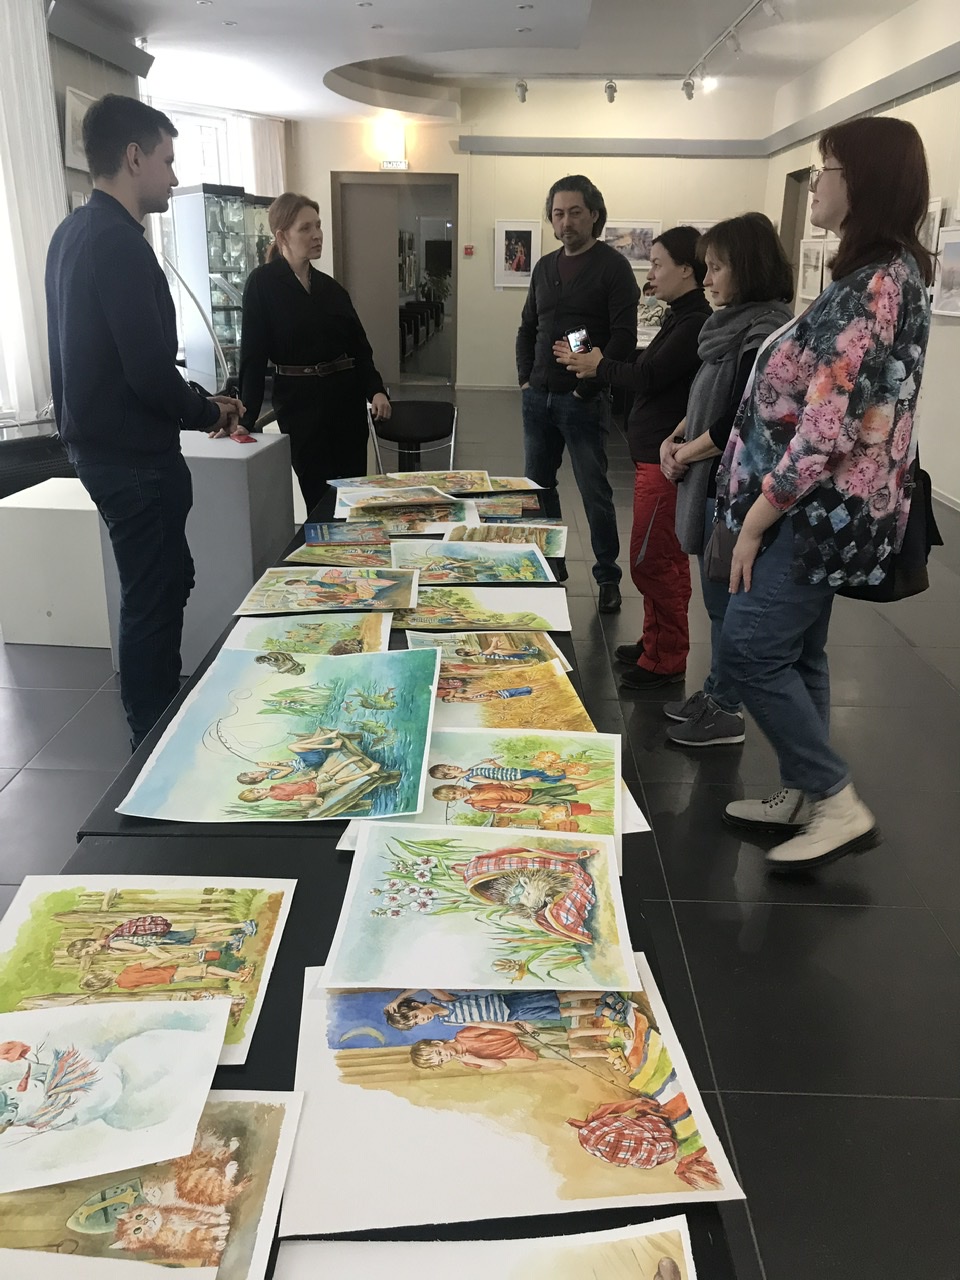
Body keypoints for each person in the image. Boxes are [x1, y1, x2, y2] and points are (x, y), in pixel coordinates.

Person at [714, 117, 933, 870]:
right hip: (819, 511)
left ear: (861, 182)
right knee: (800, 648)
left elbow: (824, 433)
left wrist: (755, 521)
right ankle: (805, 794)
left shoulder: (876, 286)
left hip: (813, 513)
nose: (815, 183)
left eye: (826, 169)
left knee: (748, 648)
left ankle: (835, 800)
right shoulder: (877, 275)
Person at [45, 95, 245, 749]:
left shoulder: (71, 234)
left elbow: (96, 361)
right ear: (134, 157)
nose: (174, 175)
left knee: (161, 585)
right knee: (152, 601)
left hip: (103, 451)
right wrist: (207, 410)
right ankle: (151, 741)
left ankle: (154, 723)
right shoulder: (120, 245)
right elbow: (147, 372)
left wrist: (194, 401)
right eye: (167, 159)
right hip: (133, 461)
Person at [658, 214, 795, 743]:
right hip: (711, 482)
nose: (707, 278)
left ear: (748, 268)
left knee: (726, 605)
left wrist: (683, 454)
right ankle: (717, 691)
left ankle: (726, 709)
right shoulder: (730, 326)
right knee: (716, 602)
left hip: (736, 493)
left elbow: (737, 420)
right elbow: (704, 399)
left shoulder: (764, 333)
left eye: (717, 268)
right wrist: (675, 438)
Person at [559, 226, 712, 687]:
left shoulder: (694, 322)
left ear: (686, 269)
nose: (651, 273)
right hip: (652, 458)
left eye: (658, 263)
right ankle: (656, 642)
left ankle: (666, 658)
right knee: (658, 557)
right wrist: (601, 364)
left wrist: (598, 365)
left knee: (653, 561)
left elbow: (647, 376)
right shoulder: (681, 316)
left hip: (664, 463)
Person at [516, 175, 639, 610]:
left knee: (594, 491)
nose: (565, 222)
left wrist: (590, 385)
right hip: (538, 397)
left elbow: (623, 337)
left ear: (594, 215)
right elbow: (528, 326)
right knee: (537, 488)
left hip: (582, 401)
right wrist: (525, 379)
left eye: (575, 212)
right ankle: (550, 564)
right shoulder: (544, 267)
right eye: (558, 213)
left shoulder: (613, 267)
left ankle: (607, 576)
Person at [237, 192, 391, 517]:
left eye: (318, 226)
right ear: (282, 236)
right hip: (300, 406)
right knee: (319, 499)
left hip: (346, 403)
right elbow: (252, 357)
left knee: (352, 497)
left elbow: (359, 347)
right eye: (306, 228)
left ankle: (354, 549)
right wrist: (246, 419)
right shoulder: (262, 284)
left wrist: (375, 389)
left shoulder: (331, 288)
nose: (317, 234)